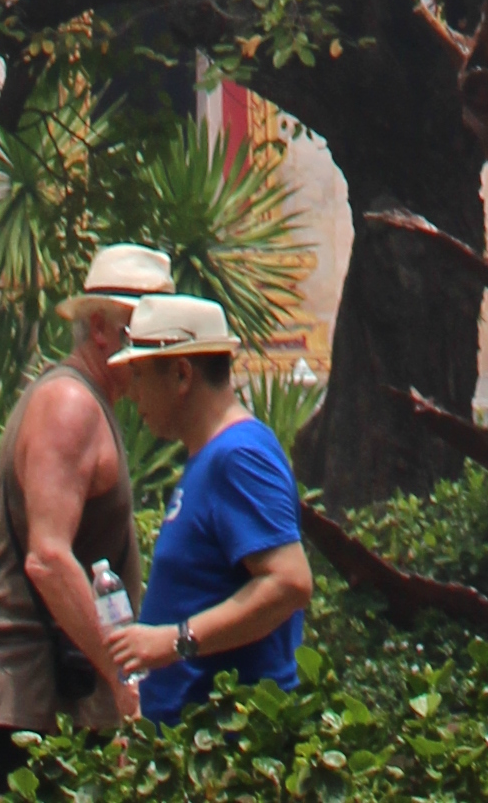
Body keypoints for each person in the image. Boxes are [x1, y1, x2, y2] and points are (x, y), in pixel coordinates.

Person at [0, 242, 171, 792]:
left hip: (54, 701)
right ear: (100, 329)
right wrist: (122, 679)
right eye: (143, 329)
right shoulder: (70, 406)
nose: (157, 347)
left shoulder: (90, 403)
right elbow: (48, 560)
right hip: (43, 705)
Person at [106, 299, 309, 717]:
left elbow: (289, 583)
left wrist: (174, 641)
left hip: (230, 739)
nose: (132, 392)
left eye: (140, 374)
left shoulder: (238, 456)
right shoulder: (210, 457)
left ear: (182, 374)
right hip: (190, 737)